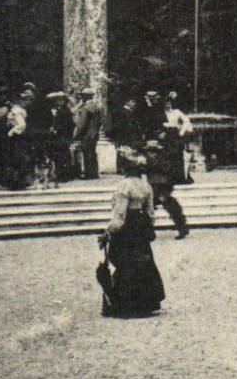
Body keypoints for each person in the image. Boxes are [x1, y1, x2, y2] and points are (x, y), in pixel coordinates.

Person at [99, 149, 165, 318]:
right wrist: (150, 228)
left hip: (127, 227)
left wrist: (108, 232)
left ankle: (124, 304)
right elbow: (150, 212)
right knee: (142, 264)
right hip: (141, 226)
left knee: (124, 263)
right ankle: (145, 304)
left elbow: (120, 215)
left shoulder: (124, 186)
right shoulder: (146, 186)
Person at [142, 139, 189, 240]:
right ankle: (148, 232)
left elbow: (169, 173)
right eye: (148, 151)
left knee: (173, 209)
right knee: (147, 211)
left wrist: (166, 191)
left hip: (163, 187)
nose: (149, 153)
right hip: (152, 188)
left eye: (151, 151)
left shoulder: (164, 160)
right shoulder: (147, 160)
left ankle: (182, 228)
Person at [73, 87, 103, 179]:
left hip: (87, 135)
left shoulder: (86, 108)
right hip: (94, 134)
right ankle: (94, 173)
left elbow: (82, 124)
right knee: (92, 153)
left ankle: (89, 174)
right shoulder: (96, 107)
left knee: (87, 153)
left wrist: (77, 134)